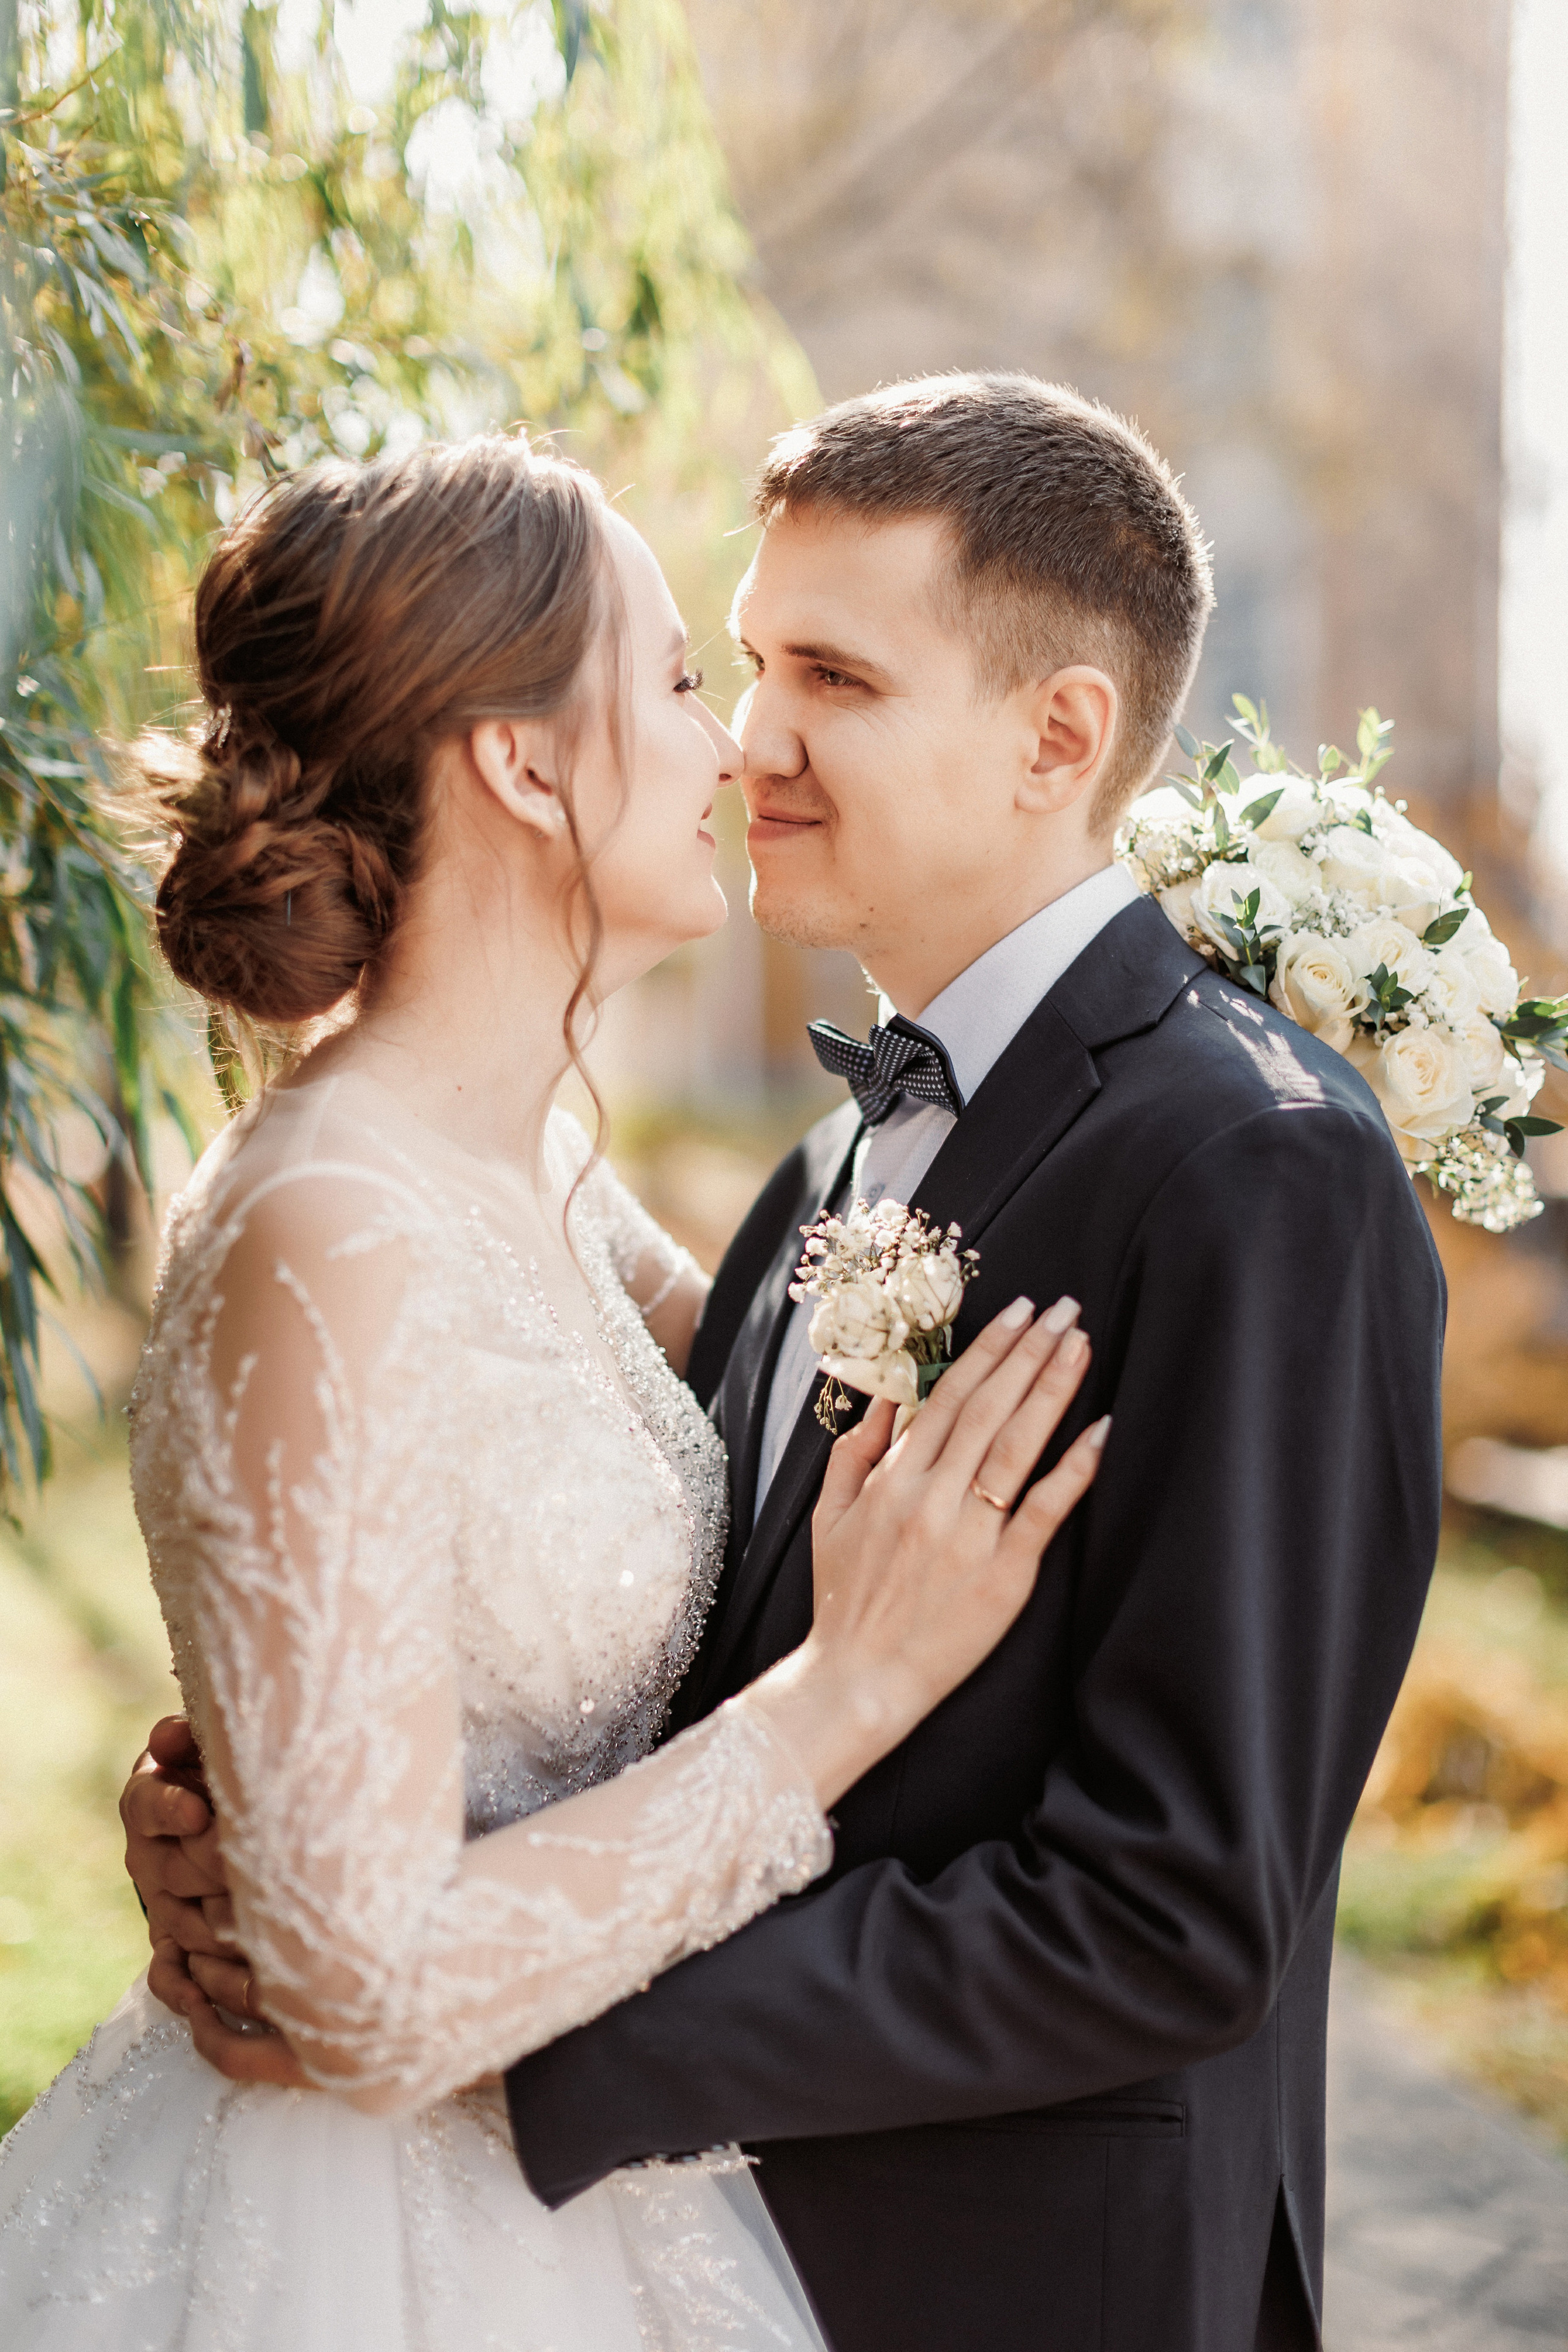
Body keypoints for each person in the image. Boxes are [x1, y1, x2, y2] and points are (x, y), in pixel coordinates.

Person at [124, 375, 1445, 2352]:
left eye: (830, 674)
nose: (748, 740)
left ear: (1057, 737)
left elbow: (1173, 1913)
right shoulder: (822, 1166)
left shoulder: (1256, 1165)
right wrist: (274, 1819)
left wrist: (466, 2017)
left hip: (1014, 2285)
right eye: (726, 670)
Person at [0, 431, 1109, 2351]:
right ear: (520, 765)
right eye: (679, 681)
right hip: (361, 2240)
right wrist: (839, 1700)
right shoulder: (323, 1225)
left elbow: (809, 1399)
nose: (730, 748)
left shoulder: (551, 1177)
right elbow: (356, 1998)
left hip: (588, 2184)